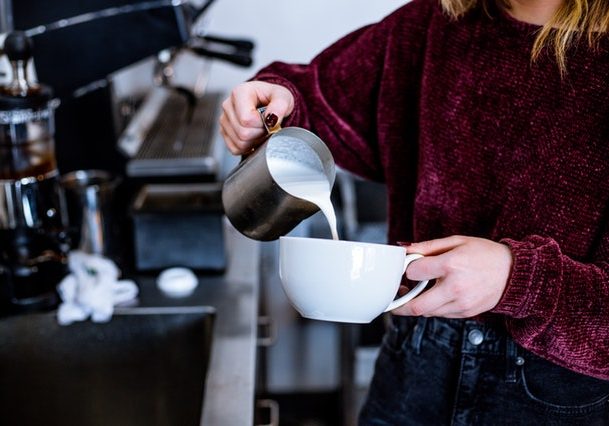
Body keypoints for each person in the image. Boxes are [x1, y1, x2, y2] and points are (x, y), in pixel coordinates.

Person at [219, 0, 609, 423]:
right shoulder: (432, 26)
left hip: (564, 393)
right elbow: (318, 102)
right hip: (415, 362)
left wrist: (521, 280)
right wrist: (273, 104)